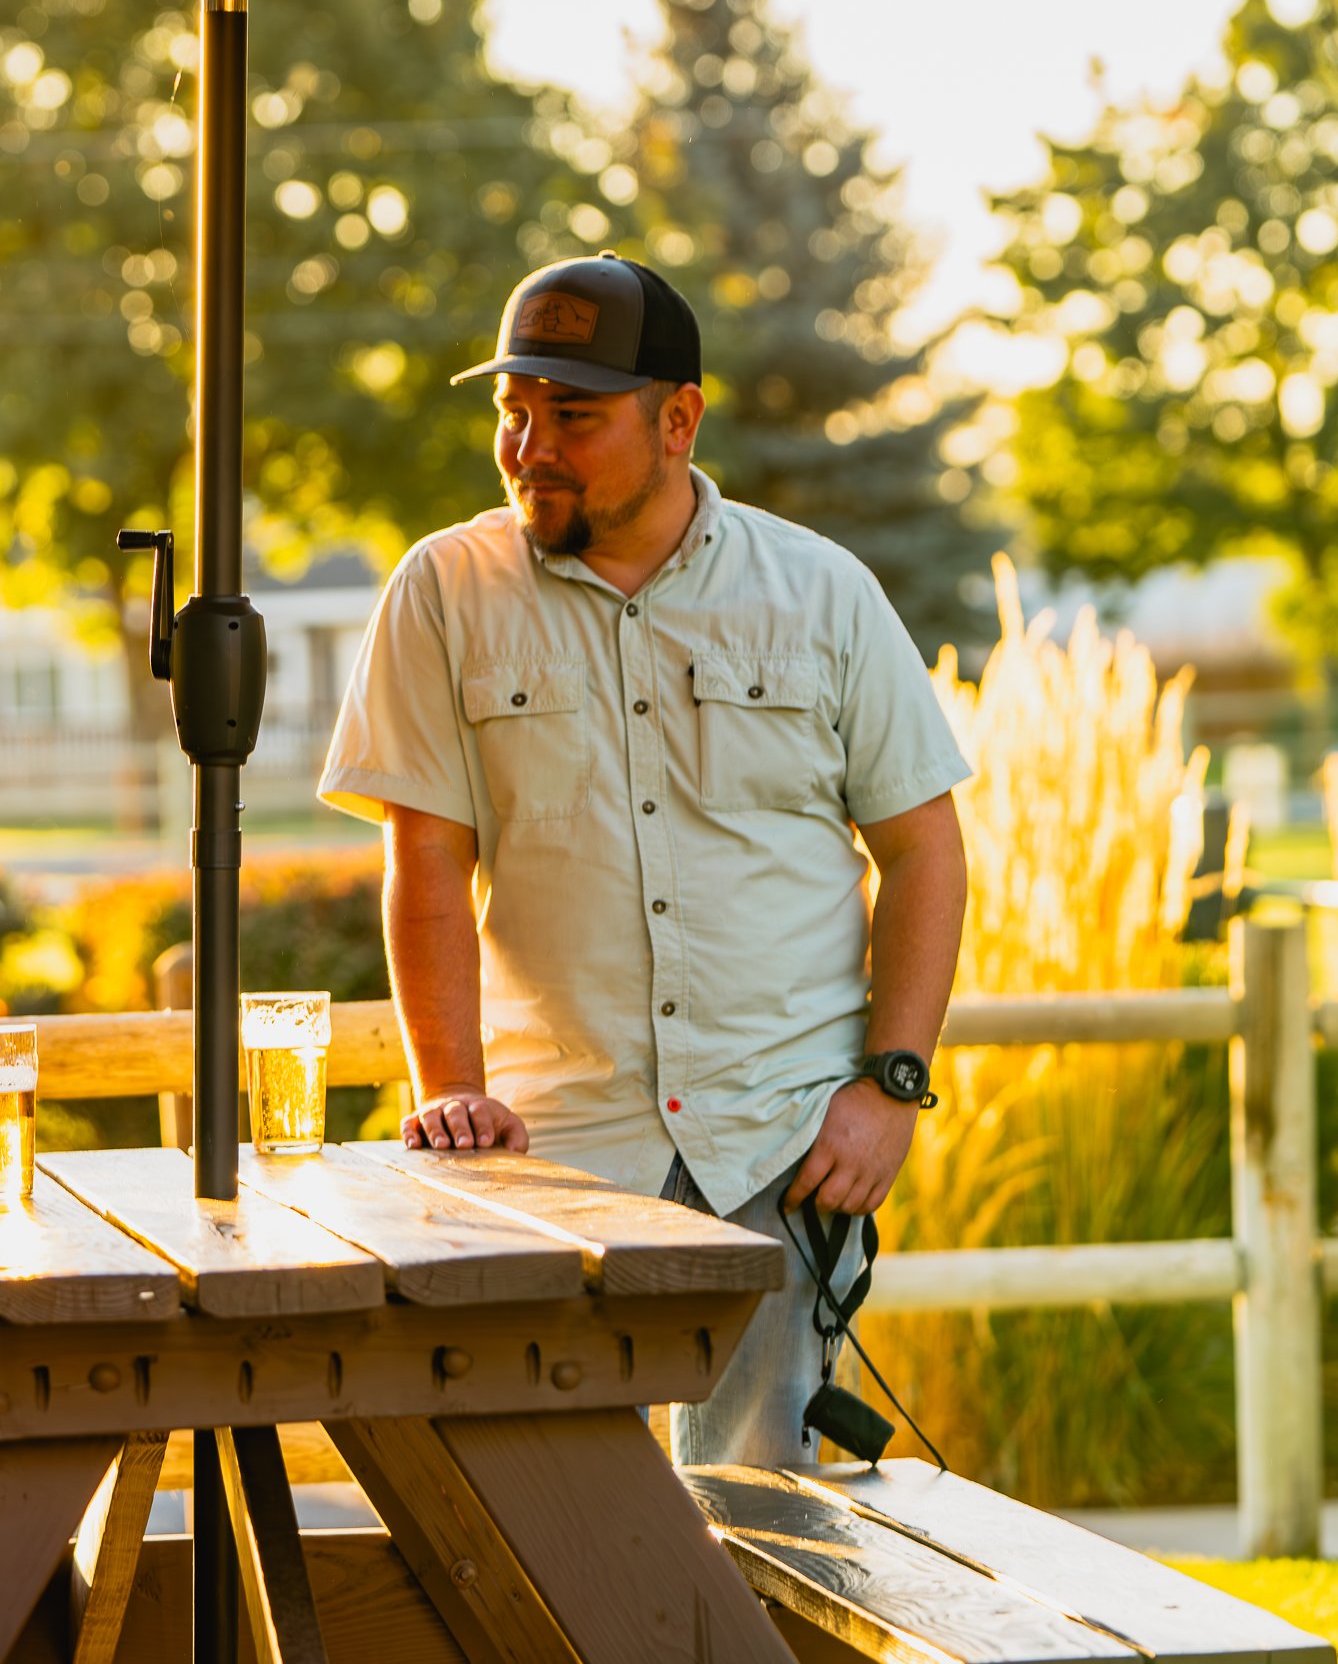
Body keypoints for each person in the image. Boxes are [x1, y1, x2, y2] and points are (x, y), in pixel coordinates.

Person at [318, 254, 971, 1465]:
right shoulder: (444, 592)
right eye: (511, 412)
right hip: (547, 1150)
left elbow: (923, 846)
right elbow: (425, 863)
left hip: (782, 1146)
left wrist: (889, 1087)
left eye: (571, 414)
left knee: (766, 1524)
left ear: (678, 419)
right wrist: (450, 1084)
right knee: (559, 1530)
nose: (528, 446)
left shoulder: (820, 592)